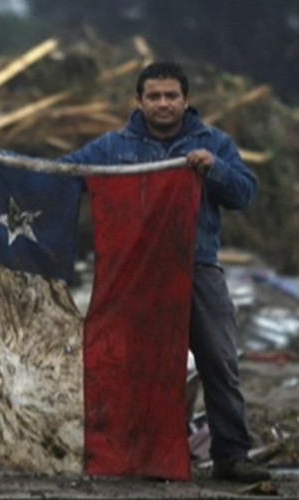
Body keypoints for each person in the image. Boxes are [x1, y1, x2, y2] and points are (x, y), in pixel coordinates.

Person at [73, 61, 265, 483]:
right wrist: (4, 165)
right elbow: (64, 177)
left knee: (219, 362)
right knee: (133, 365)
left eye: (171, 96)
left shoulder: (213, 142)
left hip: (197, 269)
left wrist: (213, 168)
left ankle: (231, 455)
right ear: (138, 101)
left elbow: (244, 193)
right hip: (135, 278)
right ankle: (143, 455)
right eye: (154, 96)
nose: (163, 103)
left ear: (186, 100)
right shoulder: (111, 147)